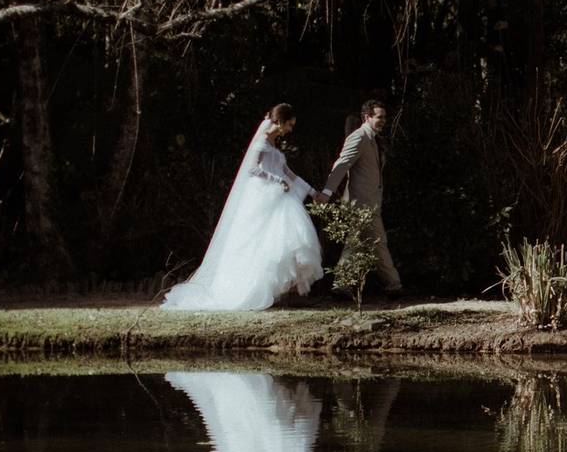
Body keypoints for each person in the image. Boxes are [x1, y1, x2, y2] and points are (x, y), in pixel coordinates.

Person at [162, 104, 323, 310]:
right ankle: (254, 289)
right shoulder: (262, 143)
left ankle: (280, 293)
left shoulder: (274, 145)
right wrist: (276, 180)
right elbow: (253, 169)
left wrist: (311, 191)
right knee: (262, 243)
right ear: (280, 121)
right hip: (265, 197)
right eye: (289, 125)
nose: (290, 129)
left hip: (280, 197)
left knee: (284, 241)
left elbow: (288, 172)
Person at [316, 100, 402, 297]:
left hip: (371, 201)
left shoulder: (373, 139)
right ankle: (393, 286)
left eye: (384, 117)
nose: (383, 121)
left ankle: (343, 286)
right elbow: (342, 164)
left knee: (361, 243)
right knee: (374, 242)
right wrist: (327, 192)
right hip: (361, 202)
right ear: (367, 117)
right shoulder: (359, 137)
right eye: (379, 117)